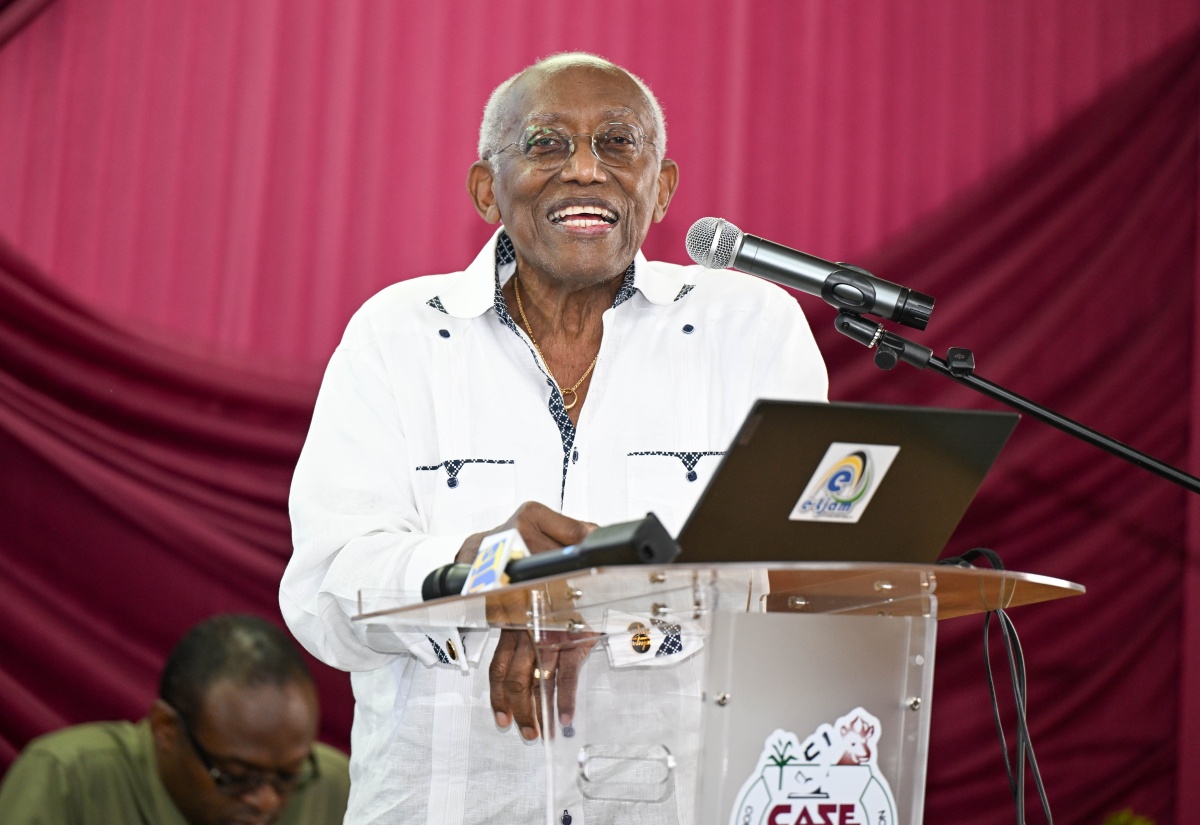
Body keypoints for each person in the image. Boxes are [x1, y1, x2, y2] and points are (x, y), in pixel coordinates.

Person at [280, 52, 828, 823]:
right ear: (485, 189)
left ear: (661, 186)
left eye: (617, 143)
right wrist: (480, 575)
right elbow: (324, 594)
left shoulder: (751, 329)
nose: (583, 170)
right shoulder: (396, 335)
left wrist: (594, 600)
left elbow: (795, 574)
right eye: (544, 145)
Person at [0, 614, 350, 825]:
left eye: (288, 777)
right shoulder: (68, 778)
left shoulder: (335, 784)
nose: (267, 801)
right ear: (166, 730)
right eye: (236, 776)